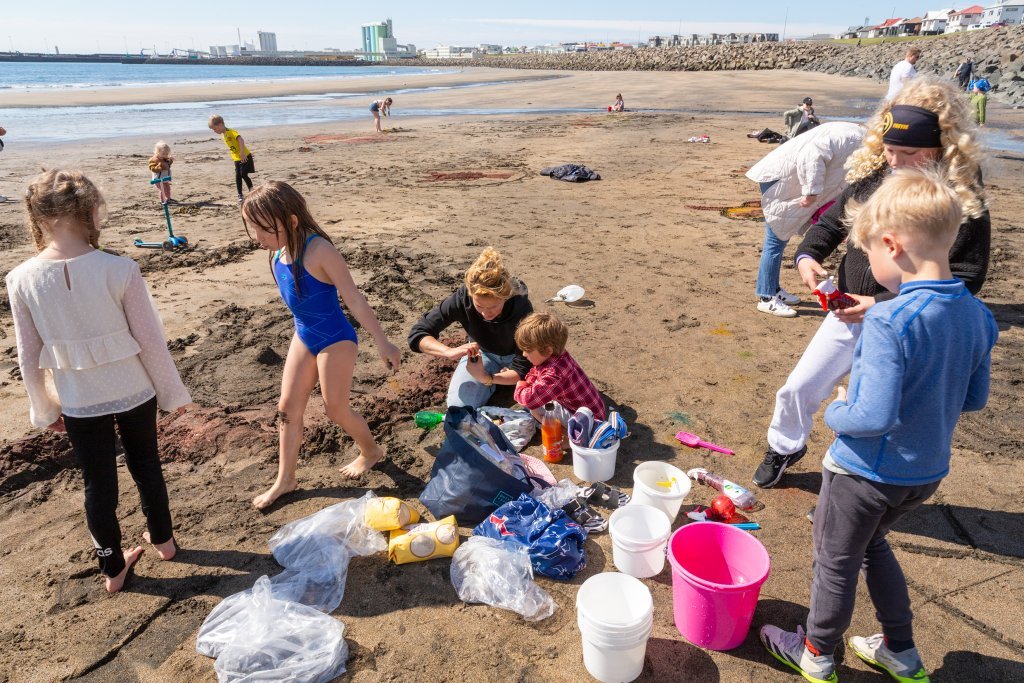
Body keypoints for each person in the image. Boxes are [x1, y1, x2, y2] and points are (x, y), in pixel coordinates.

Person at [759, 167, 997, 683]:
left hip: (863, 475)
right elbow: (974, 399)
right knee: (871, 547)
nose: (867, 265)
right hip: (924, 474)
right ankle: (900, 651)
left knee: (834, 562)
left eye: (867, 253)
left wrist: (837, 409)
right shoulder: (979, 316)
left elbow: (871, 417)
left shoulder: (889, 319)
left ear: (892, 245)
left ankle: (816, 652)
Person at [752, 77, 991, 490]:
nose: (895, 161)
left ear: (943, 145)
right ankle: (784, 446)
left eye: (908, 153)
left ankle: (852, 487)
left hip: (909, 324)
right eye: (889, 149)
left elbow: (968, 277)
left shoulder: (959, 195)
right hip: (848, 312)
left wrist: (879, 302)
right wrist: (807, 255)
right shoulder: (879, 171)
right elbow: (832, 220)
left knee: (876, 409)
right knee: (798, 387)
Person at [7, 170, 192, 592]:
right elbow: (151, 341)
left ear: (37, 217)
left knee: (98, 481)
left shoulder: (21, 279)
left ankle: (112, 567)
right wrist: (172, 393)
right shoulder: (120, 268)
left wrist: (44, 408)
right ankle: (163, 541)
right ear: (92, 211)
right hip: (134, 389)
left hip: (78, 399)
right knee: (146, 465)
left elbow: (28, 355)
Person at [241, 181, 402, 509]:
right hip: (304, 335)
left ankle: (371, 451)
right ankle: (285, 479)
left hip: (336, 338)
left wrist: (383, 342)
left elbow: (353, 298)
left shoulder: (319, 251)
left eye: (264, 229)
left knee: (335, 409)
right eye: (252, 227)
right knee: (287, 409)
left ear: (291, 221)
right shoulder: (277, 252)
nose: (257, 237)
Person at [746, 122, 865, 317]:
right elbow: (812, 153)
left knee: (779, 238)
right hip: (780, 176)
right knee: (775, 240)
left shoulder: (855, 136)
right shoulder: (853, 139)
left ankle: (773, 289)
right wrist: (811, 191)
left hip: (786, 176)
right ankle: (766, 297)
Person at [408, 247, 534, 409]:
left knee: (544, 397)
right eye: (479, 306)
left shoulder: (521, 307)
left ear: (505, 297)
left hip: (518, 356)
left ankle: (499, 384)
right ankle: (494, 384)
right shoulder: (462, 299)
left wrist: (487, 378)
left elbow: (521, 367)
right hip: (482, 354)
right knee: (459, 407)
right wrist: (447, 352)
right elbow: (418, 334)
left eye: (493, 307)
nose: (486, 314)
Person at [512, 313, 606, 426]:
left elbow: (529, 400)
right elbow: (535, 371)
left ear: (547, 350)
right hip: (589, 412)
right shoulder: (557, 356)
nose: (524, 354)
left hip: (588, 422)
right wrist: (529, 381)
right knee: (540, 401)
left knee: (535, 409)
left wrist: (520, 387)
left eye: (528, 350)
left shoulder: (554, 373)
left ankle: (566, 434)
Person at [208, 114, 254, 203]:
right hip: (236, 158)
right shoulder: (224, 134)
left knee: (244, 174)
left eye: (215, 129)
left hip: (244, 156)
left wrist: (242, 152)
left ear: (220, 125)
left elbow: (241, 140)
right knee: (238, 175)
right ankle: (240, 194)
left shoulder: (231, 132)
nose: (214, 131)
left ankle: (251, 191)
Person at [148, 140, 174, 205]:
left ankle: (168, 198)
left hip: (165, 177)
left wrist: (171, 160)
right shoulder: (154, 160)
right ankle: (163, 200)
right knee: (163, 189)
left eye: (167, 154)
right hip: (158, 179)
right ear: (157, 152)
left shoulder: (165, 159)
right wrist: (157, 168)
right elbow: (152, 168)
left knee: (167, 188)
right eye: (163, 154)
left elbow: (168, 165)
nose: (165, 155)